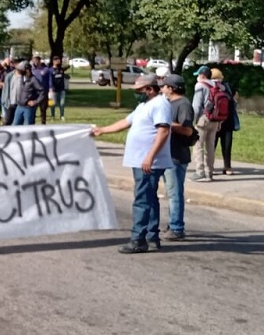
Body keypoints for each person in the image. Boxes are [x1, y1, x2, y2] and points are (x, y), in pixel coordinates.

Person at [92, 75, 172, 254]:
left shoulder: (160, 104)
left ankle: (138, 239)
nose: (136, 94)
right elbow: (125, 122)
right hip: (141, 160)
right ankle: (152, 237)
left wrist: (150, 157)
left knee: (142, 199)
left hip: (149, 161)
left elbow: (164, 131)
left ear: (150, 89)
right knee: (149, 199)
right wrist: (102, 131)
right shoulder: (143, 106)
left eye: (139, 91)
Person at [160, 74, 194, 241]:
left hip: (177, 155)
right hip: (168, 154)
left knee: (175, 193)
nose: (162, 88)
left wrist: (166, 124)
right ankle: (173, 222)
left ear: (171, 88)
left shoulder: (183, 104)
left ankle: (177, 227)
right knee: (170, 192)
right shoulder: (168, 103)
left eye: (164, 86)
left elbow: (188, 130)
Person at [191, 66, 220, 182]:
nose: (197, 77)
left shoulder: (200, 85)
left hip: (203, 119)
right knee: (210, 146)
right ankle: (210, 172)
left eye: (198, 75)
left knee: (198, 145)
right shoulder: (217, 85)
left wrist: (192, 120)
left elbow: (196, 106)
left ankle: (200, 171)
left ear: (202, 75)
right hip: (215, 119)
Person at [211, 68, 239, 175]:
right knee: (227, 145)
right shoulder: (228, 86)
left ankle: (210, 166)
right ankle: (227, 167)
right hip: (228, 119)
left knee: (211, 145)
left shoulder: (210, 87)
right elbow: (235, 98)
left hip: (214, 119)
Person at [12, 61, 44, 126]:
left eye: (21, 70)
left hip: (28, 108)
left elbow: (42, 91)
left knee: (28, 127)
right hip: (19, 106)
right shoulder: (22, 77)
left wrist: (36, 102)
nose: (19, 71)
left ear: (27, 69)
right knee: (15, 126)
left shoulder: (34, 80)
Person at [31, 56, 53, 124]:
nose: (35, 62)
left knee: (43, 109)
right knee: (33, 108)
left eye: (36, 61)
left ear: (39, 61)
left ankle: (43, 123)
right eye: (33, 61)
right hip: (34, 92)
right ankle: (32, 122)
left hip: (44, 92)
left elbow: (50, 80)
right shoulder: (32, 70)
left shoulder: (46, 70)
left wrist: (51, 88)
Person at [49, 56, 68, 121]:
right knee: (52, 104)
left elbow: (65, 76)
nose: (59, 61)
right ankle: (52, 115)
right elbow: (50, 80)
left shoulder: (61, 69)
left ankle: (62, 116)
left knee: (62, 103)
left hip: (61, 89)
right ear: (53, 61)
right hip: (54, 90)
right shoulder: (50, 70)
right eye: (57, 60)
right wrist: (50, 88)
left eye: (59, 60)